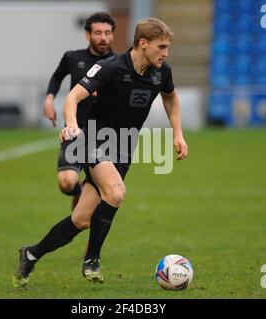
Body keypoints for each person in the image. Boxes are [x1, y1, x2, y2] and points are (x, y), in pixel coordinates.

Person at [13, 17, 188, 287]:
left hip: (124, 146)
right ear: (143, 43)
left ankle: (32, 254)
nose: (165, 54)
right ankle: (92, 260)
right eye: (161, 47)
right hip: (93, 138)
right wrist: (72, 126)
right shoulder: (110, 67)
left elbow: (171, 97)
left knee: (81, 219)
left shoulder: (161, 71)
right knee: (116, 192)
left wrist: (178, 133)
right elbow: (73, 97)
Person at [44, 12, 116, 209]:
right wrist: (49, 100)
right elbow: (57, 77)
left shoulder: (119, 64)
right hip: (75, 129)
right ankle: (81, 190)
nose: (103, 37)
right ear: (88, 35)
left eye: (108, 33)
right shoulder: (72, 58)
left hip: (105, 135)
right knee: (66, 182)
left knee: (101, 200)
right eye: (98, 32)